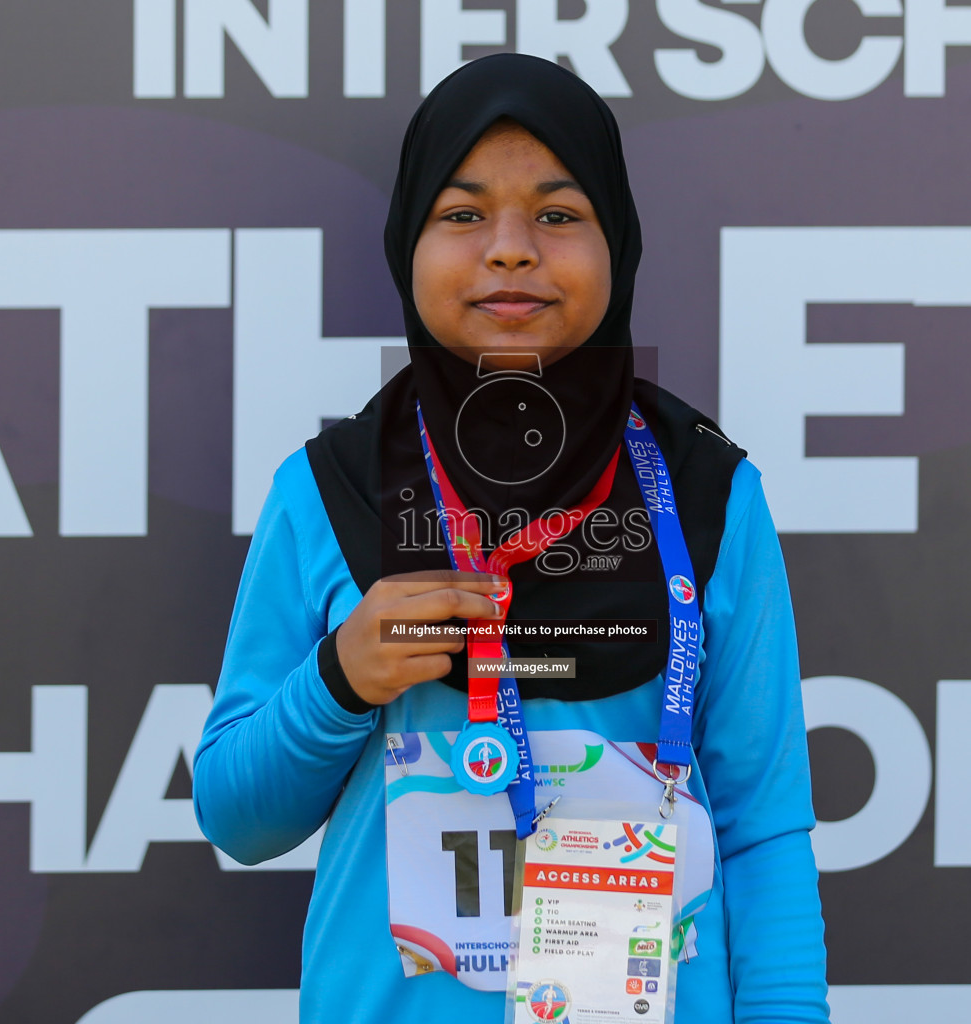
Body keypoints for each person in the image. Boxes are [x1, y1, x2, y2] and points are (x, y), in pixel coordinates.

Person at [194, 53, 829, 1023]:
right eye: (461, 214)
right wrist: (340, 680)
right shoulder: (331, 492)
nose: (510, 248)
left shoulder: (709, 493)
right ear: (407, 244)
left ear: (619, 243)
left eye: (559, 213)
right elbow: (239, 819)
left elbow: (763, 832)